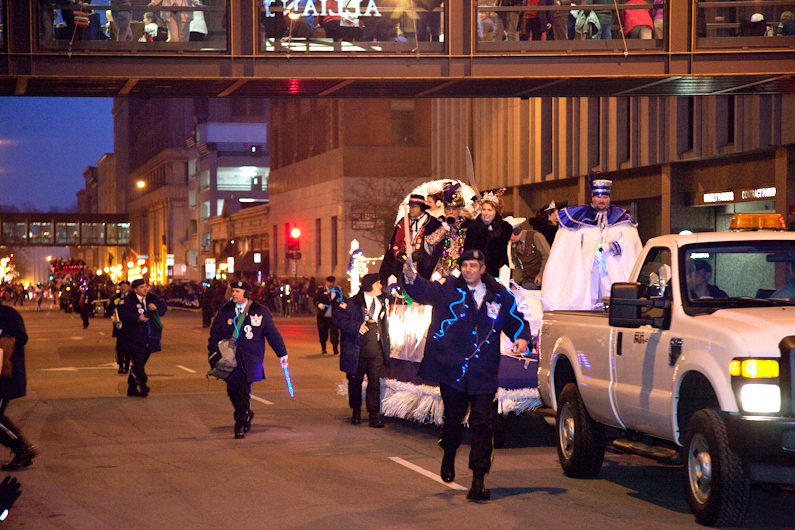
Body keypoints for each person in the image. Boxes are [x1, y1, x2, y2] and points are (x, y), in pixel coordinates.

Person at [401, 249, 531, 500]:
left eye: (474, 265)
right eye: (465, 265)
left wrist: (522, 338)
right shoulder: (447, 288)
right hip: (452, 370)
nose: (469, 269)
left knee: (483, 424)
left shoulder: (499, 295)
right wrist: (410, 278)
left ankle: (478, 480)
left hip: (484, 372)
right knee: (453, 420)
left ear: (483, 268)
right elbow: (422, 292)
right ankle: (449, 452)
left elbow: (515, 320)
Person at [541, 176, 643, 310]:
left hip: (612, 269)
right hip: (586, 270)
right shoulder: (579, 217)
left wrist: (612, 246)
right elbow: (566, 247)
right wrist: (590, 250)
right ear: (592, 197)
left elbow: (631, 243)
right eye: (598, 197)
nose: (601, 200)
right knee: (588, 299)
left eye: (605, 197)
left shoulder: (621, 218)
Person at [208, 281, 288, 438]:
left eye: (238, 291)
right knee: (232, 390)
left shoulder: (260, 311)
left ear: (246, 293)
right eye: (233, 291)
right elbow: (215, 335)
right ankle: (245, 412)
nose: (234, 294)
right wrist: (213, 354)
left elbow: (272, 333)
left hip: (250, 359)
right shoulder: (225, 311)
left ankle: (240, 422)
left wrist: (282, 354)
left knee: (244, 390)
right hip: (229, 359)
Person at [333, 273, 391, 428]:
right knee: (355, 383)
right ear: (369, 285)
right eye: (378, 283)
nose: (381, 286)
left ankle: (374, 416)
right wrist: (356, 327)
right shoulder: (352, 303)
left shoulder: (382, 302)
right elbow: (338, 318)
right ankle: (356, 412)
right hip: (357, 350)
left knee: (374, 384)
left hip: (376, 350)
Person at [0, 300, 38, 471]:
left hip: (6, 376)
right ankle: (21, 448)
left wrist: (5, 340)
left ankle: (22, 448)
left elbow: (21, 338)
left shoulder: (8, 314)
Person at [117, 279, 167, 397]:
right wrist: (137, 318)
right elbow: (122, 314)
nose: (145, 289)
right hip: (134, 338)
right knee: (138, 362)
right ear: (135, 290)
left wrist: (156, 308)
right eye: (141, 287)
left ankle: (132, 387)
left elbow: (163, 308)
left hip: (149, 338)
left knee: (139, 364)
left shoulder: (152, 298)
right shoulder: (128, 301)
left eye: (145, 286)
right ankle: (143, 386)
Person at [379, 194, 435, 284]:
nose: (411, 209)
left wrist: (421, 255)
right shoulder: (403, 222)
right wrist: (398, 254)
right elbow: (396, 242)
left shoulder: (432, 223)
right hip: (404, 265)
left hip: (424, 267)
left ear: (421, 208)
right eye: (410, 206)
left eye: (414, 206)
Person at [422, 182, 472, 278]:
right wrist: (444, 228)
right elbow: (430, 242)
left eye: (454, 209)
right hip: (441, 270)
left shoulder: (468, 224)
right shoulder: (437, 223)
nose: (451, 212)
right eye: (448, 209)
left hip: (462, 269)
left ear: (459, 210)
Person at [464, 189, 513, 279]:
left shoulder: (504, 227)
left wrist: (492, 230)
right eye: (484, 209)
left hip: (498, 271)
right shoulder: (473, 227)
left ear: (496, 211)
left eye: (490, 210)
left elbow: (502, 247)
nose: (486, 213)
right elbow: (467, 250)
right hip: (476, 271)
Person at [505, 216, 550, 290]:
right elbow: (518, 266)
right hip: (528, 280)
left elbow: (547, 256)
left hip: (543, 278)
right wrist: (514, 284)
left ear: (515, 232)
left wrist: (541, 275)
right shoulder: (514, 246)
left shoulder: (535, 236)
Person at [106, 280, 131, 374]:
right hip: (119, 325)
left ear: (129, 287)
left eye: (125, 286)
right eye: (122, 286)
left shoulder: (132, 297)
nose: (123, 288)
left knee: (129, 346)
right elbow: (109, 308)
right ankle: (121, 365)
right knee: (120, 346)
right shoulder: (116, 297)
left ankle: (127, 365)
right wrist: (113, 314)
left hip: (130, 325)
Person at [314, 276, 341, 355]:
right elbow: (315, 299)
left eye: (332, 282)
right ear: (326, 282)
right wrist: (318, 304)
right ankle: (323, 347)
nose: (331, 284)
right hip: (323, 316)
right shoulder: (320, 290)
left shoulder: (337, 290)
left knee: (335, 332)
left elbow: (341, 300)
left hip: (333, 316)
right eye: (329, 282)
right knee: (323, 332)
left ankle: (335, 348)